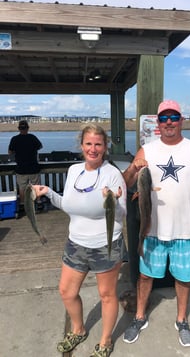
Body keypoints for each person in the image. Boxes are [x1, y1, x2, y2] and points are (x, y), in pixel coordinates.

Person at [122, 100, 190, 347]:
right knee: (144, 276)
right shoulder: (147, 150)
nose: (169, 122)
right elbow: (125, 183)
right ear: (158, 124)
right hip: (152, 230)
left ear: (181, 120)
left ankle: (181, 320)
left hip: (185, 231)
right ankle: (140, 316)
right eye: (164, 118)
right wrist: (133, 167)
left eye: (174, 117)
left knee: (184, 279)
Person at [33, 124, 127, 357]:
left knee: (107, 295)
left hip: (106, 244)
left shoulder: (112, 174)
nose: (93, 149)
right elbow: (69, 205)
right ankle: (78, 330)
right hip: (75, 243)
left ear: (105, 147)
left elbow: (123, 213)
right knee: (66, 291)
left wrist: (113, 201)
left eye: (98, 144)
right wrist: (49, 193)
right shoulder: (74, 170)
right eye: (88, 144)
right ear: (81, 145)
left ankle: (105, 341)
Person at [8, 120, 43, 207]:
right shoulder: (32, 137)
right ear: (28, 128)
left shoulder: (14, 139)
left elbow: (10, 152)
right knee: (36, 186)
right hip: (33, 167)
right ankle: (38, 202)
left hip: (21, 168)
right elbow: (40, 146)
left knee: (22, 187)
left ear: (19, 129)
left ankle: (23, 203)